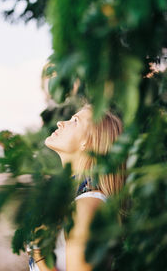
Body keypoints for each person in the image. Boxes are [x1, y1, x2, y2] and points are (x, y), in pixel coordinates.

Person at [27, 104, 126, 271]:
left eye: (75, 121)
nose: (60, 123)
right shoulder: (74, 199)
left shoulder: (87, 205)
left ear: (87, 141)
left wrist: (39, 253)